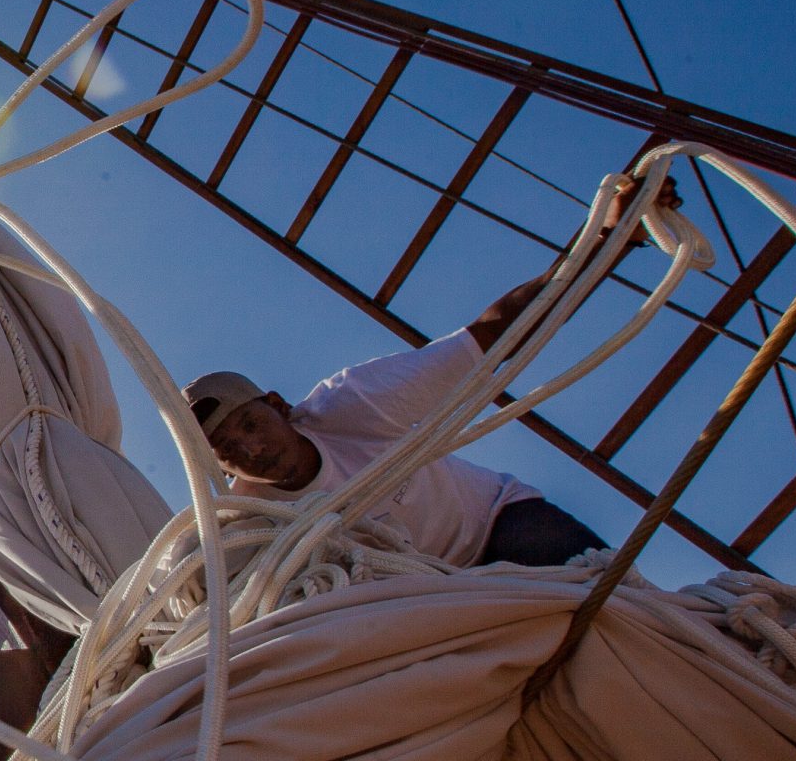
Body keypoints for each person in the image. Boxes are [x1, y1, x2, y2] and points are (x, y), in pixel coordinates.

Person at [181, 178, 672, 568]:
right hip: (432, 595)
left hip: (496, 523)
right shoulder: (254, 522)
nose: (250, 450)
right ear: (223, 471)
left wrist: (610, 240)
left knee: (620, 606)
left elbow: (496, 333)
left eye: (249, 425)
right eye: (227, 451)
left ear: (278, 405)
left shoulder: (354, 404)